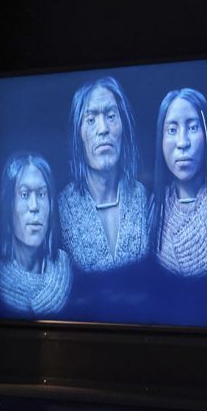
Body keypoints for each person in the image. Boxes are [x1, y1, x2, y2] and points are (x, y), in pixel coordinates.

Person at [56, 76, 152, 274]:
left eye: (111, 116)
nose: (103, 129)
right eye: (91, 120)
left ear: (123, 125)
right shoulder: (61, 208)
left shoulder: (144, 198)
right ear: (78, 134)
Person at [152, 87, 207, 285]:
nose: (182, 142)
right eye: (172, 130)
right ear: (161, 140)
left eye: (193, 127)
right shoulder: (152, 210)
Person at [0, 150, 73, 318]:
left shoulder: (66, 268)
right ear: (9, 205)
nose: (34, 206)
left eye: (42, 194)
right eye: (24, 195)